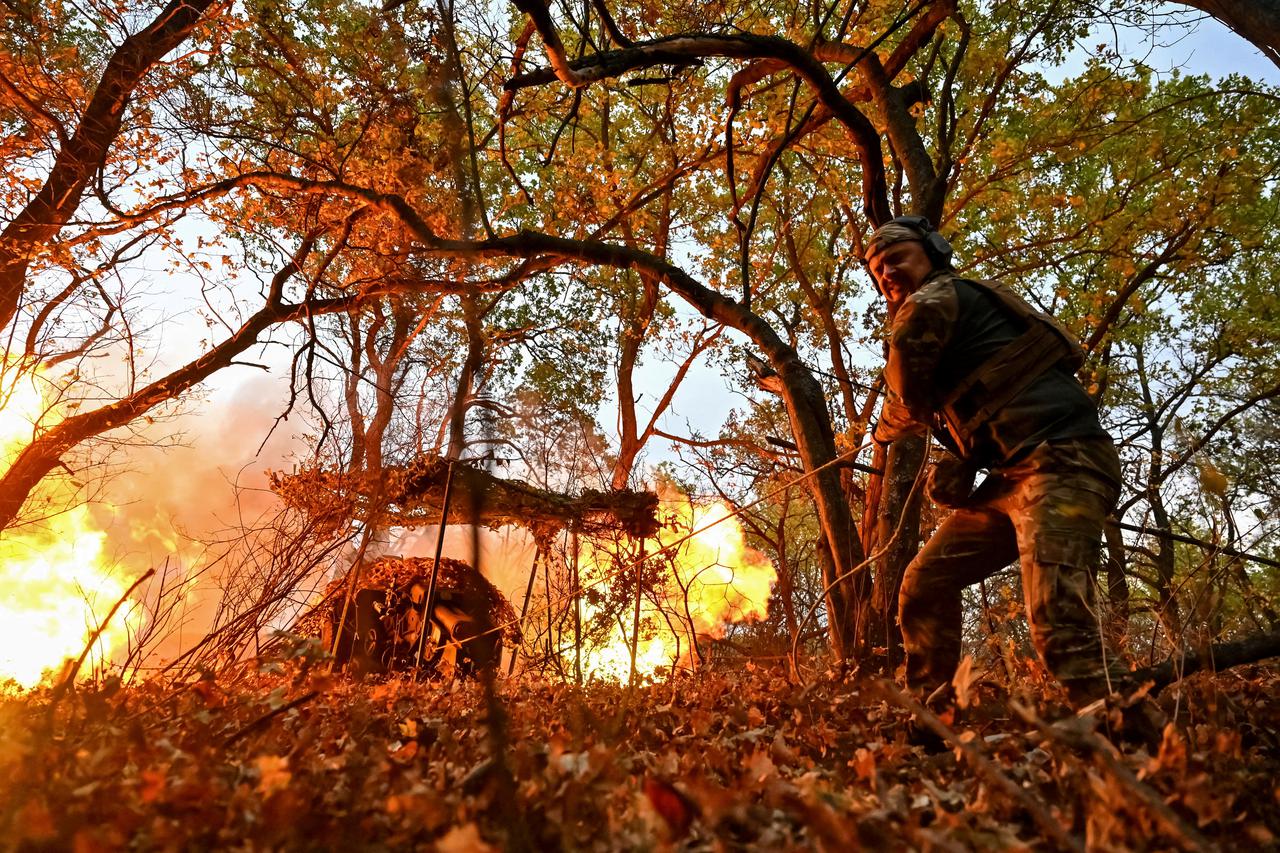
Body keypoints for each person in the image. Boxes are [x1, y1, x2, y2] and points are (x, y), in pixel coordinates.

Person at [864, 216, 1139, 725]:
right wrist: (962, 458)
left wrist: (882, 432)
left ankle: (1150, 750)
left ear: (934, 252)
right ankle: (933, 723)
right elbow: (991, 396)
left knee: (1059, 621)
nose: (888, 273)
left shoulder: (929, 302)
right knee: (924, 583)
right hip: (1013, 477)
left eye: (896, 258)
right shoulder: (962, 310)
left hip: (1063, 461)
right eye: (878, 270)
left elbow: (906, 397)